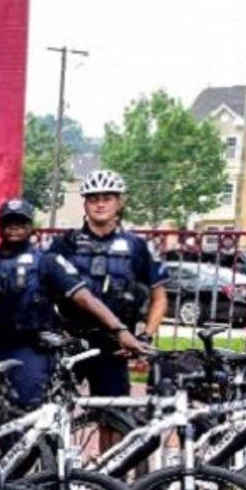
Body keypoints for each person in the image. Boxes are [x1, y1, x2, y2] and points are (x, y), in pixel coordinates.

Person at [0, 198, 146, 407]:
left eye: (21, 222)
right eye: (9, 222)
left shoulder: (48, 262)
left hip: (29, 349)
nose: (14, 228)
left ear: (31, 227)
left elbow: (84, 298)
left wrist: (119, 329)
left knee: (23, 418)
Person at [48, 169, 168, 396]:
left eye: (107, 198)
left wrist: (145, 337)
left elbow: (159, 297)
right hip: (71, 341)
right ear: (85, 204)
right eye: (93, 199)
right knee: (54, 411)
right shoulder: (64, 244)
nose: (100, 204)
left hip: (115, 345)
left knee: (112, 418)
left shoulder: (137, 246)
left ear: (119, 202)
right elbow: (44, 289)